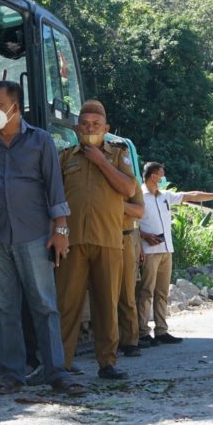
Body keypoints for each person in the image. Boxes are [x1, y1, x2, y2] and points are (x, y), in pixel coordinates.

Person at [0, 81, 84, 396]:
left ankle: (57, 372)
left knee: (44, 304)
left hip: (34, 235)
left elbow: (54, 188)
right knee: (5, 307)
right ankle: (12, 375)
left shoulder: (40, 141)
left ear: (15, 107)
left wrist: (60, 230)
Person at [55, 100, 136, 380]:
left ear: (106, 129)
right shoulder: (65, 158)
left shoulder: (117, 156)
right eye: (85, 125)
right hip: (72, 241)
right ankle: (61, 364)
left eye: (96, 125)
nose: (90, 129)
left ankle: (107, 362)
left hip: (109, 241)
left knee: (106, 304)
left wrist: (101, 162)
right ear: (77, 128)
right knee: (67, 304)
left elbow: (128, 188)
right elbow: (52, 198)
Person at [136, 162, 213, 347]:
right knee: (146, 292)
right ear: (154, 176)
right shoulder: (138, 196)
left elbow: (191, 195)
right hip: (148, 251)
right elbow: (130, 223)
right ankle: (142, 332)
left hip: (166, 251)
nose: (164, 178)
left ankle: (161, 331)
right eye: (162, 175)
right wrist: (145, 236)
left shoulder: (165, 196)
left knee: (161, 292)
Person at [117, 174, 145, 358]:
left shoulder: (129, 181)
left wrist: (113, 204)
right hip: (97, 238)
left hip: (125, 236)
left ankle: (130, 341)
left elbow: (139, 211)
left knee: (127, 293)